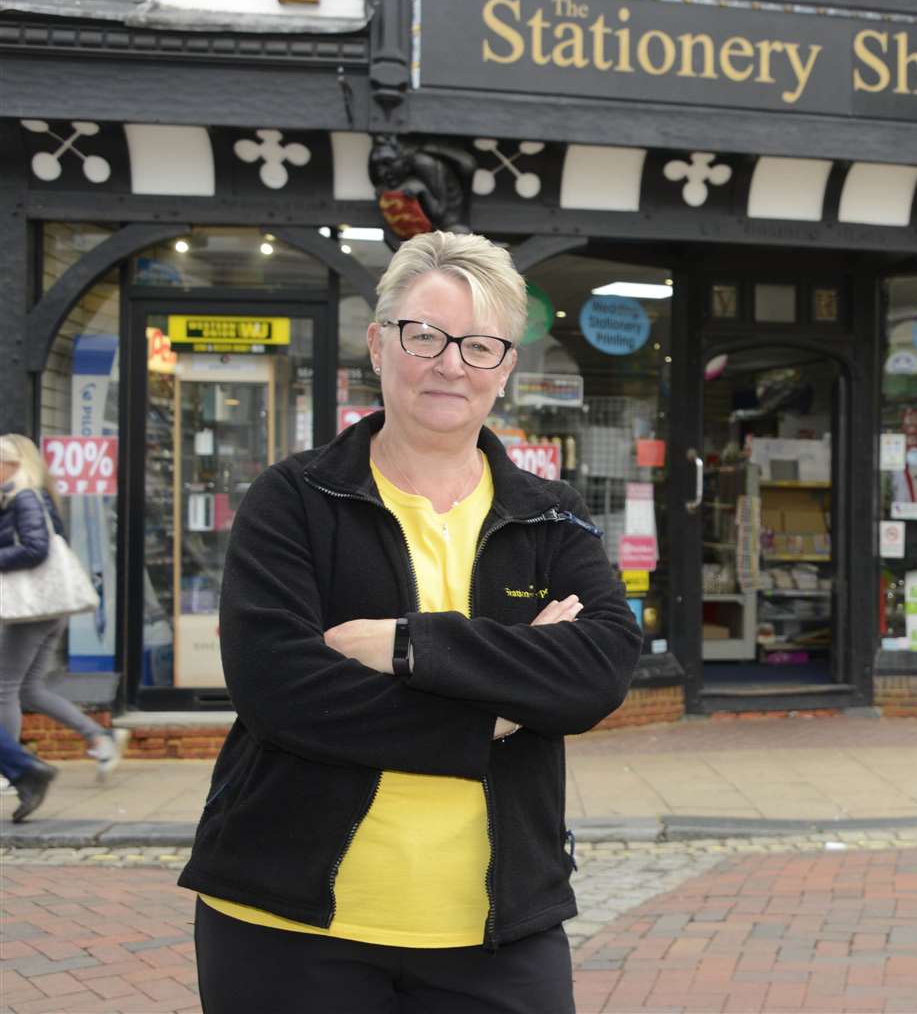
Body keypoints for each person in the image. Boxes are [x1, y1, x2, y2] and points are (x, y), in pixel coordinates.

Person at [178, 231, 642, 1014]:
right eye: (424, 334)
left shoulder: (553, 517)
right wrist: (496, 711)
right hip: (285, 925)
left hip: (497, 933)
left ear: (506, 367)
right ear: (378, 343)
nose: (450, 362)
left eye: (481, 344)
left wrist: (404, 644)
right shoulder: (294, 500)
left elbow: (596, 674)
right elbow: (280, 691)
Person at [0, 434, 128, 780]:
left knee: (4, 688)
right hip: (49, 607)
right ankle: (100, 737)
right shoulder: (33, 495)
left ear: (14, 464)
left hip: (35, 608)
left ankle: (14, 771)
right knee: (30, 689)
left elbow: (36, 548)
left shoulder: (22, 497)